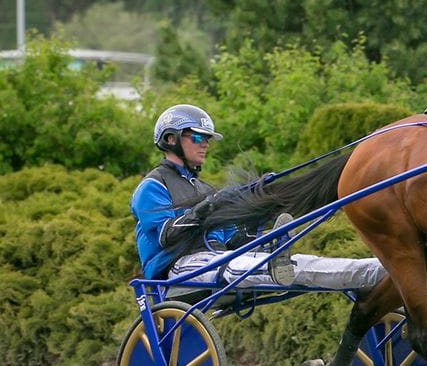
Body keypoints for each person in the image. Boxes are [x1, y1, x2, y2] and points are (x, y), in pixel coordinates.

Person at [130, 103, 386, 291]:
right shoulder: (152, 186)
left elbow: (223, 240)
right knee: (236, 268)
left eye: (207, 139)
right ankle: (274, 263)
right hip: (174, 269)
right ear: (170, 139)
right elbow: (166, 236)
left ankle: (377, 271)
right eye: (197, 136)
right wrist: (210, 206)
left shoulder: (202, 188)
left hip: (213, 257)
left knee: (291, 264)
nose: (205, 143)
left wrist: (255, 214)